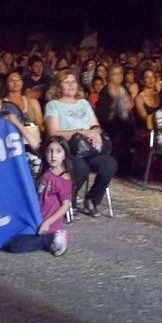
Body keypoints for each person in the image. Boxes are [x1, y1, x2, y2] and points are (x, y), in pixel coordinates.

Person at [45, 69, 117, 217]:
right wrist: (83, 132)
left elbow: (95, 126)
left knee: (109, 164)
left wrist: (94, 134)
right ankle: (67, 201)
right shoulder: (53, 105)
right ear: (59, 86)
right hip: (67, 149)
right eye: (67, 82)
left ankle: (92, 200)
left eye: (73, 82)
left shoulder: (84, 103)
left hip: (88, 148)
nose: (71, 85)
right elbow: (54, 132)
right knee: (81, 169)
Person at [4, 136, 71, 256]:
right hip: (36, 217)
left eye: (58, 151)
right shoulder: (47, 171)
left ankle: (51, 238)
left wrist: (47, 223)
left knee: (16, 245)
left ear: (65, 155)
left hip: (46, 223)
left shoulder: (63, 178)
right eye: (50, 151)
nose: (53, 155)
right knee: (6, 234)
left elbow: (65, 205)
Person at [95, 64, 136, 175]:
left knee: (128, 131)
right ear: (109, 76)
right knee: (118, 133)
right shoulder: (105, 91)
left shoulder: (124, 89)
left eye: (120, 73)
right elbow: (102, 113)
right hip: (110, 124)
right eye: (116, 74)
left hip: (125, 122)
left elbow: (130, 107)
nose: (119, 76)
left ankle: (126, 169)